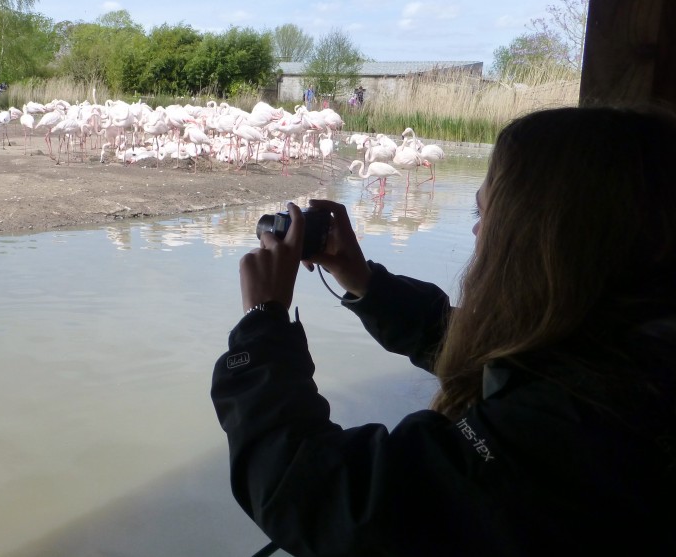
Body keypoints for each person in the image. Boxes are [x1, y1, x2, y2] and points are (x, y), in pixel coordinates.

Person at [212, 106, 676, 556]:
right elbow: (489, 352)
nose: (476, 238)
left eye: (483, 216)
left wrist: (262, 321)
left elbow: (329, 502)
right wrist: (364, 282)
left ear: (543, 242)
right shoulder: (625, 355)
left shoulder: (570, 426)